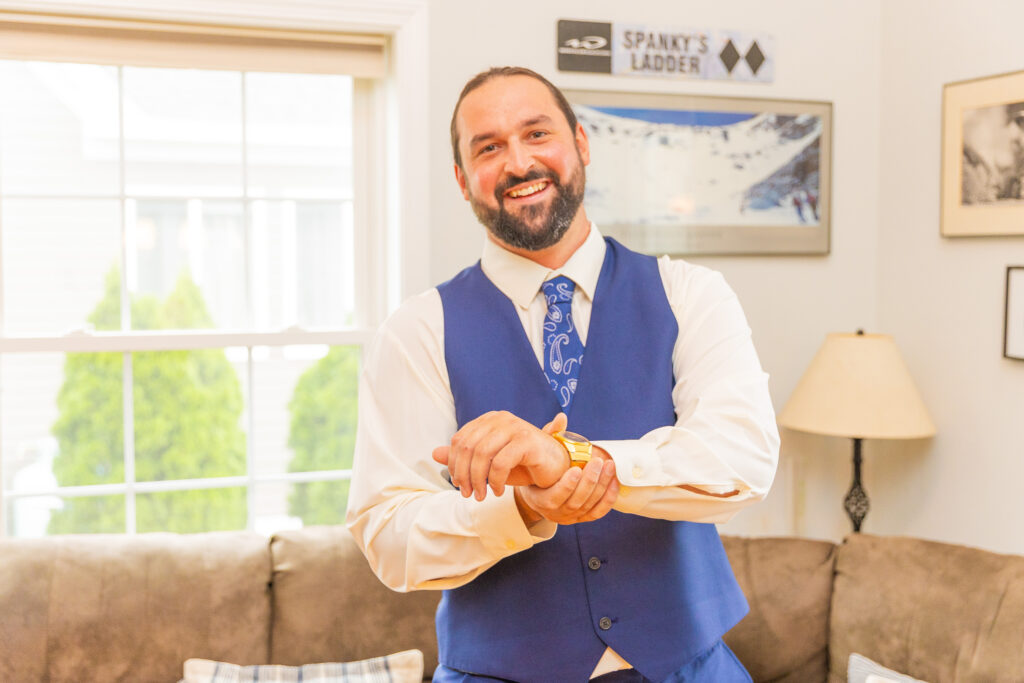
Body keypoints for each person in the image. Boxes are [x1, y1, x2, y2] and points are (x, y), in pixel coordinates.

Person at [347, 66, 779, 683]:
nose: (519, 162)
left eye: (536, 134)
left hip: (690, 669)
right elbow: (389, 534)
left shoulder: (692, 295)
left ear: (580, 143)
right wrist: (520, 508)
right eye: (488, 147)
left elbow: (741, 461)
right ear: (462, 179)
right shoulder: (417, 331)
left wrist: (570, 462)